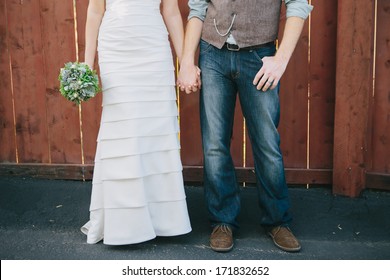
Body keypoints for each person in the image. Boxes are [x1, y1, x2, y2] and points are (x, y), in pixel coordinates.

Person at [177, 0, 313, 252]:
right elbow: (197, 9)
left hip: (259, 56)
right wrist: (186, 60)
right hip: (212, 55)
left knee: (267, 143)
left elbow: (298, 6)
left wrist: (280, 59)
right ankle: (222, 220)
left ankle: (278, 221)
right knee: (214, 145)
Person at [81, 0, 191, 245]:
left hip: (153, 47)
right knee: (124, 131)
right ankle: (126, 222)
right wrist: (88, 63)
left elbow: (171, 11)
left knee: (156, 129)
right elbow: (96, 10)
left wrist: (185, 61)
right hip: (116, 49)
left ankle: (162, 219)